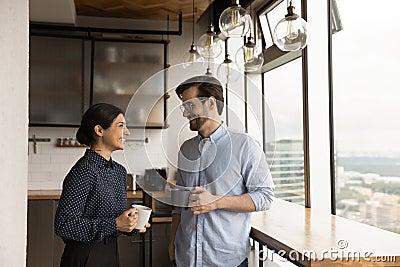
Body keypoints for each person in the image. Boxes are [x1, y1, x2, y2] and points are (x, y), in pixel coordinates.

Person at [169, 76, 275, 267]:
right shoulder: (186, 149)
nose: (185, 113)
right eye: (183, 107)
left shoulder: (246, 146)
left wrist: (216, 202)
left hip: (225, 260)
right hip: (185, 257)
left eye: (189, 105)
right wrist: (171, 243)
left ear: (210, 103)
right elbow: (179, 203)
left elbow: (265, 197)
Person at [55, 103, 148, 267]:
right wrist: (115, 224)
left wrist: (131, 225)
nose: (126, 132)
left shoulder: (119, 171)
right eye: (120, 126)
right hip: (84, 257)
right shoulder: (84, 171)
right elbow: (64, 225)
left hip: (110, 255)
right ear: (99, 130)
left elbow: (115, 221)